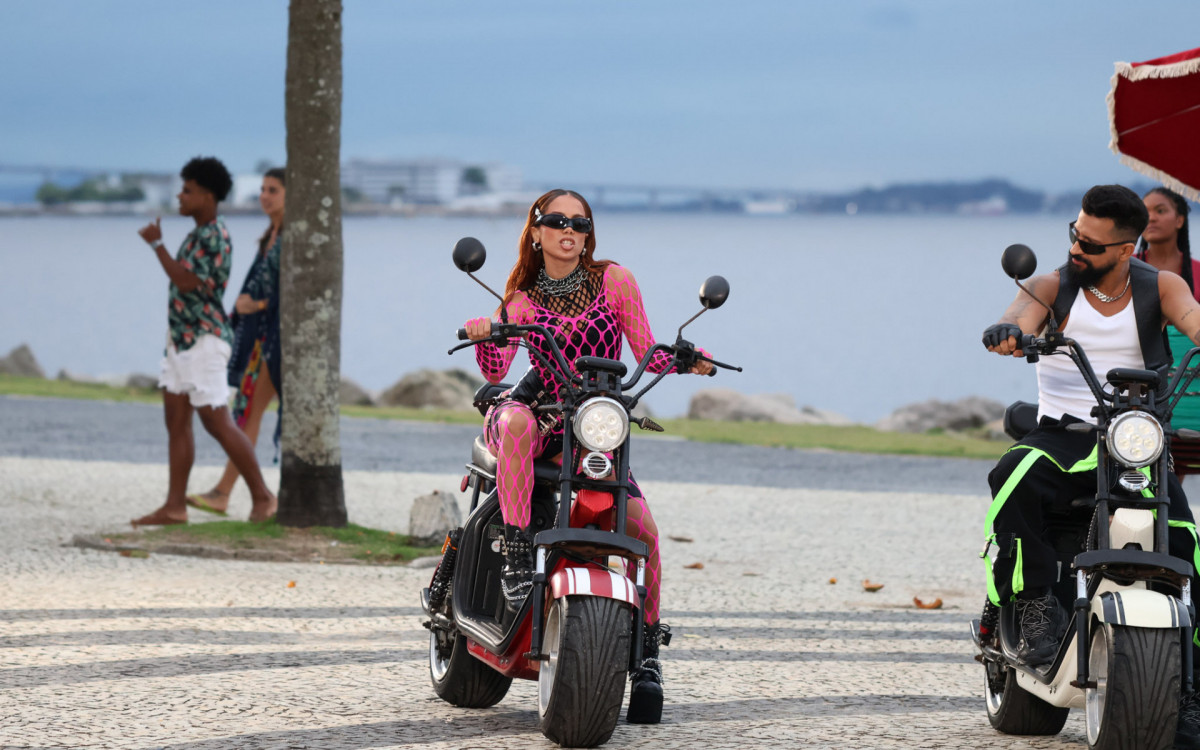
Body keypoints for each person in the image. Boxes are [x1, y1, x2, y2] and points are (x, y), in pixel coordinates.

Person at [462, 189, 713, 725]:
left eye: (579, 221)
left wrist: (688, 357)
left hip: (597, 428)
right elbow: (493, 365)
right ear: (535, 232)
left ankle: (646, 657)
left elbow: (646, 345)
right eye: (555, 221)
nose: (568, 229)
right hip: (542, 417)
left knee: (644, 535)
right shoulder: (521, 299)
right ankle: (512, 551)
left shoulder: (615, 280)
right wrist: (488, 330)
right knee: (513, 420)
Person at [981, 184, 1200, 747]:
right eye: (1076, 235)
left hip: (1135, 439)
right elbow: (1021, 310)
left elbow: (1194, 320)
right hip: (1065, 436)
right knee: (1013, 476)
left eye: (1093, 245)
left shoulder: (1161, 287)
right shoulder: (1055, 283)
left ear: (1127, 249)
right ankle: (1031, 603)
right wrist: (1013, 333)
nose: (1079, 249)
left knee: (1187, 543)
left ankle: (1191, 686)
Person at [131, 156, 278, 526]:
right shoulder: (199, 234)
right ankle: (175, 506)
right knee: (176, 421)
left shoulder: (215, 235)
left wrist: (157, 246)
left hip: (204, 341)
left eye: (188, 190)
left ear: (208, 196)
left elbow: (187, 281)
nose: (180, 196)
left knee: (217, 422)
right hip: (181, 340)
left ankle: (263, 497)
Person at [187, 168, 285, 516]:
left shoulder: (288, 237)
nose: (264, 195)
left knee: (247, 415)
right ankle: (245, 496)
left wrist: (256, 305)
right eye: (262, 189)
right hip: (259, 339)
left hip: (277, 341)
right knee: (247, 414)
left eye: (273, 189)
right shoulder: (270, 235)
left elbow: (296, 292)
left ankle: (237, 494)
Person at [1137, 187, 1196, 300]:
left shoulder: (1197, 270)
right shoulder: (1124, 268)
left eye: (1160, 211)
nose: (1151, 218)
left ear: (1179, 221)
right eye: (1145, 212)